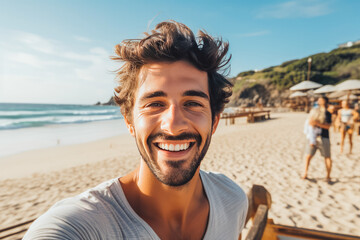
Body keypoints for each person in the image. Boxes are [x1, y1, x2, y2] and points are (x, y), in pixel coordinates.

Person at [23, 21, 248, 239]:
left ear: (215, 121)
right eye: (155, 104)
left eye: (192, 103)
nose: (173, 124)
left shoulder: (232, 200)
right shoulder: (83, 224)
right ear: (129, 121)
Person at [302, 96, 332, 182]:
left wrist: (317, 124)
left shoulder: (327, 113)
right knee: (308, 156)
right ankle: (305, 173)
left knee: (327, 157)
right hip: (312, 137)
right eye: (319, 100)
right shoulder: (314, 111)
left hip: (324, 137)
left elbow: (328, 126)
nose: (319, 101)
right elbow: (309, 124)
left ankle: (328, 176)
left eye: (321, 100)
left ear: (325, 101)